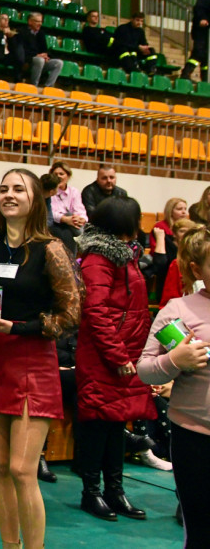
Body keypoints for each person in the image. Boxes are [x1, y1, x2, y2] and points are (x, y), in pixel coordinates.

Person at [0, 168, 80, 549]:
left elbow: (71, 314)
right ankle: (9, 545)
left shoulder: (53, 249)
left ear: (36, 200)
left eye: (20, 189)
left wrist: (17, 328)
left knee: (22, 469)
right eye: (5, 188)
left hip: (32, 360)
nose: (9, 195)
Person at [73, 198, 157, 522]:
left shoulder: (127, 253)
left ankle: (115, 491)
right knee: (98, 425)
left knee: (117, 424)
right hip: (105, 357)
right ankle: (91, 493)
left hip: (126, 354)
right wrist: (118, 355)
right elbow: (96, 312)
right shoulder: (98, 259)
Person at [138, 226, 210, 548]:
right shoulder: (177, 310)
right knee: (200, 530)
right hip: (194, 436)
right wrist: (176, 361)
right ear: (197, 269)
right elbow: (145, 370)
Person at [150, 197, 189, 300]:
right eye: (180, 209)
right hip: (166, 267)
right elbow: (158, 256)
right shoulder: (160, 227)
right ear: (170, 211)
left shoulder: (188, 226)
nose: (184, 212)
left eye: (185, 209)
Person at [48, 161, 87, 256]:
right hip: (54, 224)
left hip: (72, 224)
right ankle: (75, 255)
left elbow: (80, 210)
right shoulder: (48, 192)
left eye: (61, 174)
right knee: (67, 233)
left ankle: (72, 258)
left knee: (74, 221)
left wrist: (81, 219)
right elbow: (49, 213)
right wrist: (64, 219)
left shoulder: (74, 192)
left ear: (68, 176)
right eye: (55, 174)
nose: (58, 176)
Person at [159, 218, 197, 307]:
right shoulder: (177, 264)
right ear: (175, 234)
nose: (186, 235)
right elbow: (170, 300)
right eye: (182, 231)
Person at [17, 13, 63, 88]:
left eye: (41, 22)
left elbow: (45, 49)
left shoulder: (41, 33)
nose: (40, 24)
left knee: (59, 63)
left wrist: (45, 55)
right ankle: (34, 85)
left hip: (40, 60)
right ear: (30, 21)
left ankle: (48, 87)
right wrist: (36, 55)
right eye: (37, 21)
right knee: (39, 60)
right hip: (28, 60)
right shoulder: (22, 32)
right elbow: (22, 50)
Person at [180, 0, 210, 82]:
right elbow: (199, 9)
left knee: (207, 57)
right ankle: (185, 74)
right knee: (198, 53)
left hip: (209, 32)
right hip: (202, 30)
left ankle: (205, 79)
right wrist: (202, 19)